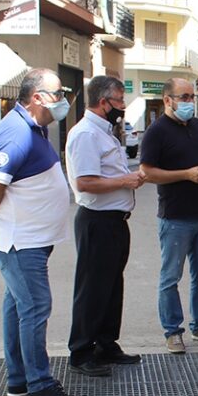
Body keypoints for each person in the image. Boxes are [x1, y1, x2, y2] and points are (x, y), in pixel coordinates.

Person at [0, 68, 79, 396]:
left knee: (18, 305)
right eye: (58, 94)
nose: (63, 101)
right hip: (19, 241)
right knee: (34, 306)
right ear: (37, 98)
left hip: (29, 238)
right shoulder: (16, 133)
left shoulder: (33, 129)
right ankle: (39, 385)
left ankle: (19, 380)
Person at [65, 75, 146, 377]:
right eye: (119, 101)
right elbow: (85, 183)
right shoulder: (86, 134)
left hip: (114, 221)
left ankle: (106, 344)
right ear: (103, 102)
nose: (122, 106)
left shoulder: (106, 133)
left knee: (111, 286)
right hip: (97, 221)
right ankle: (81, 351)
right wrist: (125, 180)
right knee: (93, 288)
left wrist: (129, 180)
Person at [140, 78, 198, 353]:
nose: (190, 102)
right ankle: (172, 331)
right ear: (168, 100)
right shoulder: (157, 132)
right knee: (170, 277)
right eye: (185, 97)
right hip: (175, 217)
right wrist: (185, 175)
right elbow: (148, 172)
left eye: (192, 97)